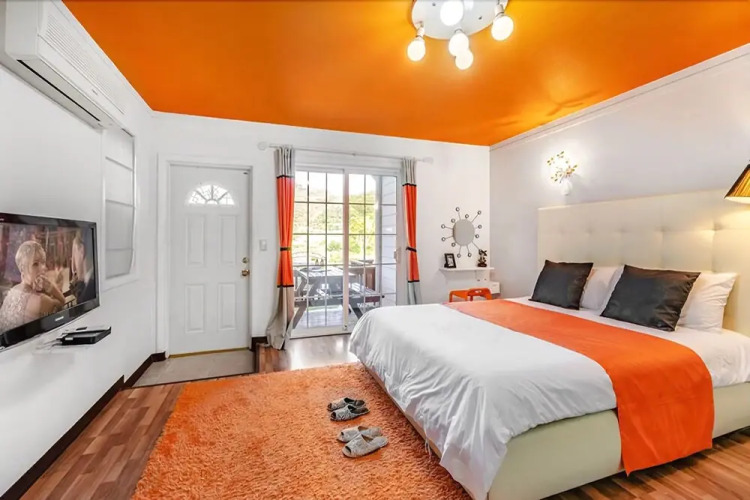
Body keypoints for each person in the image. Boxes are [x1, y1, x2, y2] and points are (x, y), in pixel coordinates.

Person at [0, 241, 65, 334]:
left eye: (43, 262)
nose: (43, 268)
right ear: (22, 268)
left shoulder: (12, 291)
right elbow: (62, 302)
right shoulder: (41, 300)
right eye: (35, 264)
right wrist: (51, 287)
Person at [71, 231, 96, 305]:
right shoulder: (88, 239)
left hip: (82, 280)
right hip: (87, 279)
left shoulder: (75, 242)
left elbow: (73, 266)